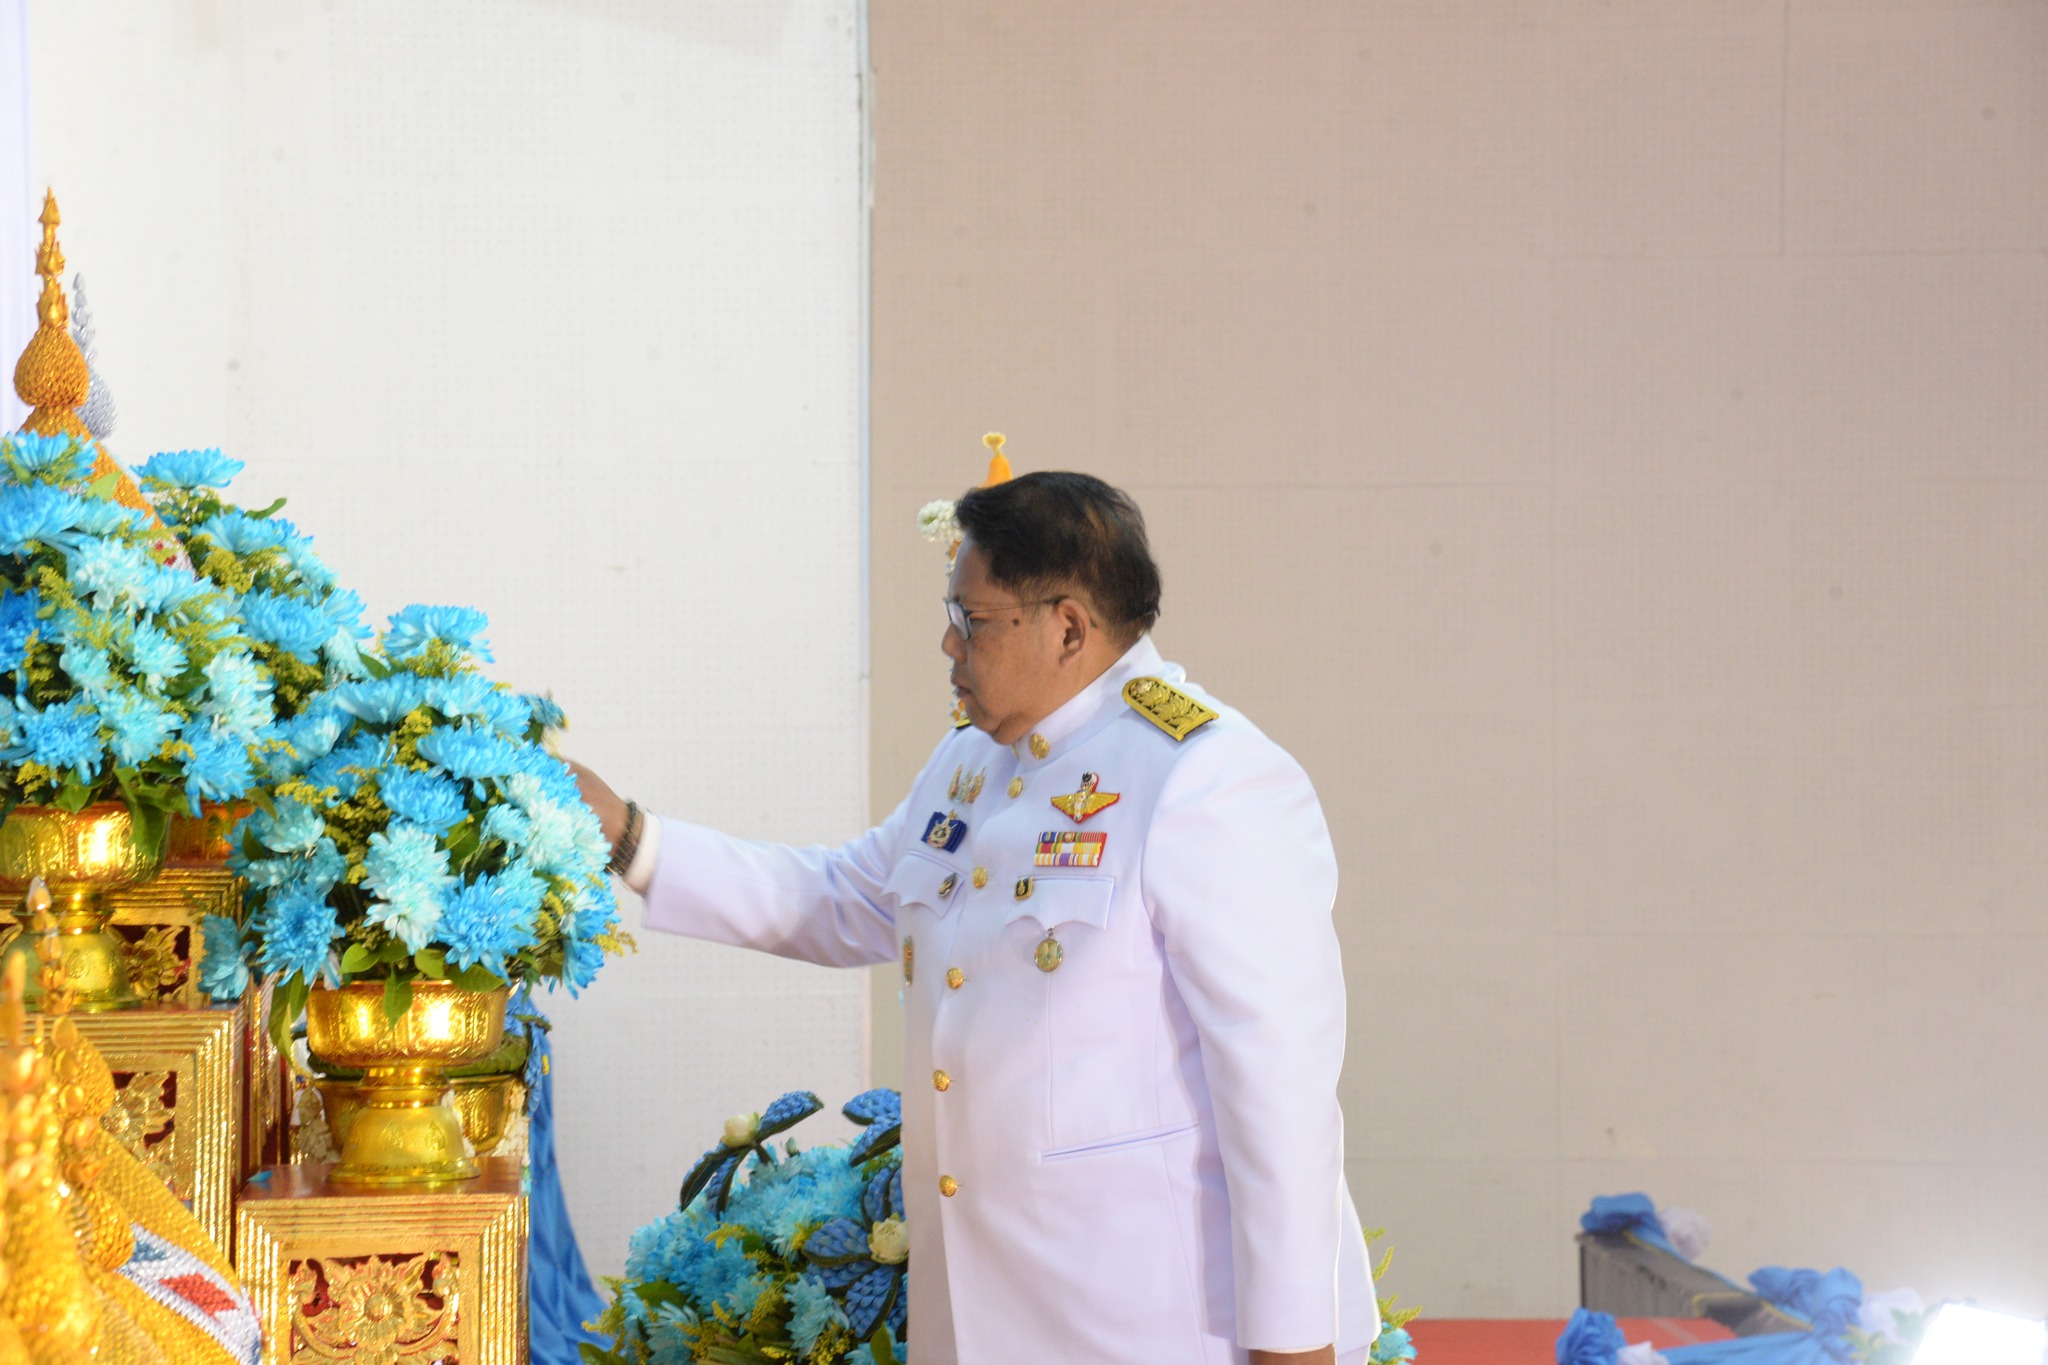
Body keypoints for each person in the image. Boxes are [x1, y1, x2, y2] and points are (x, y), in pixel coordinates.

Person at [574, 471, 1376, 1365]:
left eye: (973, 618)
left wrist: (1295, 1344)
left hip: (1146, 1318)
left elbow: (1277, 1091)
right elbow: (844, 897)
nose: (947, 642)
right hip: (980, 1317)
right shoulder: (971, 761)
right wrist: (632, 838)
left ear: (1068, 625)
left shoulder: (1205, 777)